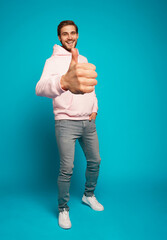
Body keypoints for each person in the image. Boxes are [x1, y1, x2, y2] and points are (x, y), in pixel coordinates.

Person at [35, 20, 104, 229]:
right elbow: (40, 88)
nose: (69, 37)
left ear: (78, 35)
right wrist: (63, 81)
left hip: (87, 122)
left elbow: (90, 87)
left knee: (95, 161)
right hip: (66, 123)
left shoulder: (82, 58)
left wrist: (95, 108)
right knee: (67, 169)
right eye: (65, 34)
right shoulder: (52, 61)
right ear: (59, 37)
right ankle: (63, 209)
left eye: (73, 33)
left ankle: (88, 195)